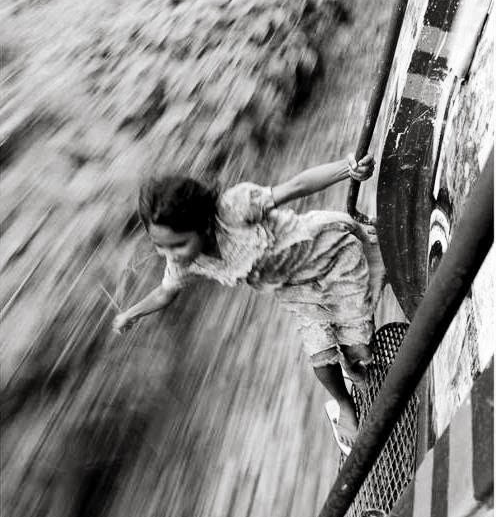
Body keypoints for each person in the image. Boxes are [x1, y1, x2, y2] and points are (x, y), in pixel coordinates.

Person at [112, 154, 384, 454]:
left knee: (359, 348)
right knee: (320, 354)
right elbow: (165, 292)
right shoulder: (185, 263)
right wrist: (132, 314)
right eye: (159, 245)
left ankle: (354, 357)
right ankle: (344, 402)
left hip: (326, 252)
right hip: (296, 288)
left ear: (204, 225)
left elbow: (297, 185)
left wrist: (348, 169)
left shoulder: (234, 209)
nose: (169, 254)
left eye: (178, 244)